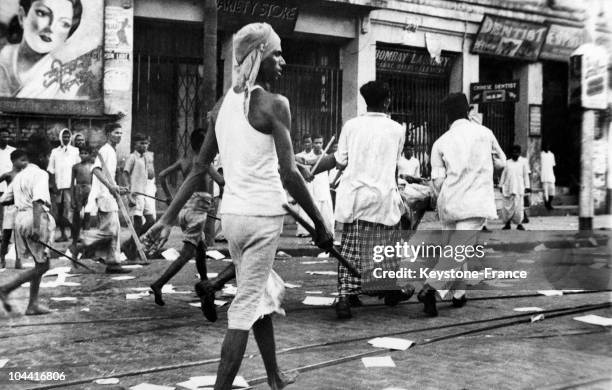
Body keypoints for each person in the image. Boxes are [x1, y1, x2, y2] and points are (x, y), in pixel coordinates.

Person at [142, 22, 332, 390]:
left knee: (256, 292)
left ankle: (275, 376)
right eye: (276, 52)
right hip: (263, 217)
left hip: (232, 218)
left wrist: (167, 219)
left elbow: (199, 168)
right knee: (245, 306)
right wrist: (321, 224)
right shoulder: (276, 105)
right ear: (258, 56)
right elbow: (290, 175)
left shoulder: (222, 106)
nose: (284, 60)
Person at [312, 80, 413, 319]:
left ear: (365, 101)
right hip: (382, 197)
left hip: (354, 196)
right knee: (385, 249)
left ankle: (345, 296)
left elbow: (338, 160)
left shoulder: (351, 125)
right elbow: (392, 168)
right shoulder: (397, 129)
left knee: (350, 249)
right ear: (387, 100)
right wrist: (401, 199)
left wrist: (312, 169)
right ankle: (388, 289)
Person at [423, 92, 506, 316]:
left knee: (455, 250)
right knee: (459, 250)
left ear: (447, 115)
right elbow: (502, 162)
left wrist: (447, 193)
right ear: (468, 110)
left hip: (449, 202)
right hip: (475, 202)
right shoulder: (485, 133)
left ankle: (459, 295)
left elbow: (438, 180)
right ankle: (431, 287)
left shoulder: (440, 142)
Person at [150, 128, 229, 323]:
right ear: (203, 145)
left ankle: (204, 284)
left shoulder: (184, 161)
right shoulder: (204, 163)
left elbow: (161, 175)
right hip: (198, 212)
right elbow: (222, 182)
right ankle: (159, 284)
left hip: (185, 208)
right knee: (187, 254)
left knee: (200, 248)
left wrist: (169, 196)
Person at [0, 135, 55, 315]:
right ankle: (6, 288)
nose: (48, 160)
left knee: (40, 262)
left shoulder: (20, 175)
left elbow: (4, 200)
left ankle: (32, 304)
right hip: (34, 218)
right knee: (43, 266)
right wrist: (37, 228)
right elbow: (38, 202)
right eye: (47, 156)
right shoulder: (40, 174)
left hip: (20, 218)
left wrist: (21, 200)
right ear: (41, 157)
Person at [71, 123, 131, 274]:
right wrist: (111, 188)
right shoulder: (106, 150)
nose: (119, 136)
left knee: (113, 230)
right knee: (110, 231)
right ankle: (82, 245)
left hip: (108, 194)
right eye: (116, 133)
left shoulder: (111, 150)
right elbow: (96, 171)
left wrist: (117, 187)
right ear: (108, 134)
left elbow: (108, 175)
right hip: (104, 195)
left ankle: (112, 262)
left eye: (121, 133)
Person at [0, 0, 83, 98]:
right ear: (22, 16)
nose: (51, 27)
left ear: (67, 35)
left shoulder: (66, 84)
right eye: (42, 13)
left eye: (64, 24)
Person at [47, 128, 80, 242]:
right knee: (60, 211)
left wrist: (75, 186)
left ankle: (74, 234)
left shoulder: (75, 151)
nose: (66, 139)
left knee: (71, 210)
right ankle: (63, 234)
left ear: (70, 138)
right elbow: (51, 170)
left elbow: (78, 168)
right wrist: (53, 185)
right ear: (60, 138)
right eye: (64, 137)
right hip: (59, 186)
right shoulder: (55, 152)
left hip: (71, 186)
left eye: (68, 137)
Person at [0, 149, 28, 268]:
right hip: (10, 208)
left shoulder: (25, 175)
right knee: (6, 234)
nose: (24, 163)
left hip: (20, 208)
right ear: (13, 161)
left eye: (25, 160)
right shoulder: (8, 175)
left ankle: (18, 260)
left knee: (19, 236)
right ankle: (2, 259)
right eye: (21, 160)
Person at [123, 133, 153, 233]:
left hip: (144, 195)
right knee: (138, 223)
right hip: (135, 195)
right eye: (142, 143)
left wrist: (150, 162)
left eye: (146, 143)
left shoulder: (145, 158)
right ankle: (134, 246)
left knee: (151, 221)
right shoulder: (132, 157)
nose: (144, 145)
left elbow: (150, 176)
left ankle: (131, 243)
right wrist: (128, 194)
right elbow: (125, 173)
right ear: (135, 144)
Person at [309, 135, 335, 238]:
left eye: (320, 143)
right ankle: (315, 236)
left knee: (327, 212)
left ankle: (329, 234)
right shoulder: (309, 157)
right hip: (313, 187)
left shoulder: (326, 157)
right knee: (315, 211)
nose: (318, 145)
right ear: (312, 144)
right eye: (316, 143)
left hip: (324, 187)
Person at [500, 145, 530, 231]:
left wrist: (527, 186)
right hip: (508, 188)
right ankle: (507, 223)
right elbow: (503, 175)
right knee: (507, 207)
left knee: (519, 207)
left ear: (519, 153)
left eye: (517, 152)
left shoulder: (523, 163)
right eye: (514, 152)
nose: (515, 154)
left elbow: (525, 175)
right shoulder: (507, 163)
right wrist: (501, 185)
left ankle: (519, 224)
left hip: (519, 188)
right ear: (511, 153)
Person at [70, 144, 93, 248]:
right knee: (77, 217)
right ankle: (74, 240)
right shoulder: (75, 167)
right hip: (78, 190)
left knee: (87, 216)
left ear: (90, 154)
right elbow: (71, 183)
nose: (83, 155)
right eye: (81, 153)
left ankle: (86, 240)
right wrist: (72, 198)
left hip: (90, 190)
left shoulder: (93, 166)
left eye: (85, 153)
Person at [294, 134, 315, 237]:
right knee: (303, 207)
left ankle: (314, 230)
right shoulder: (298, 155)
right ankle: (303, 231)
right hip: (303, 183)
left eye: (309, 142)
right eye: (305, 142)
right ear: (303, 144)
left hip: (313, 184)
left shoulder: (315, 155)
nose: (308, 144)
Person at [0, 129, 16, 255]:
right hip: (1, 185)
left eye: (7, 136)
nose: (5, 138)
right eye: (2, 136)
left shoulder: (13, 150)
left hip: (11, 187)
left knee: (9, 214)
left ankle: (7, 237)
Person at [540, 142, 556, 210]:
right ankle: (547, 205)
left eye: (548, 146)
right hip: (544, 175)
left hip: (550, 175)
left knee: (552, 190)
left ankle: (549, 203)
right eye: (545, 146)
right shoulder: (541, 154)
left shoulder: (552, 155)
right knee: (545, 191)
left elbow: (553, 165)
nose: (547, 147)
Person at [518, 153, 531, 223]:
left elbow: (527, 174)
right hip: (516, 183)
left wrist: (527, 186)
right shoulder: (509, 162)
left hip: (522, 184)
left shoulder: (524, 160)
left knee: (522, 201)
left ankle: (524, 217)